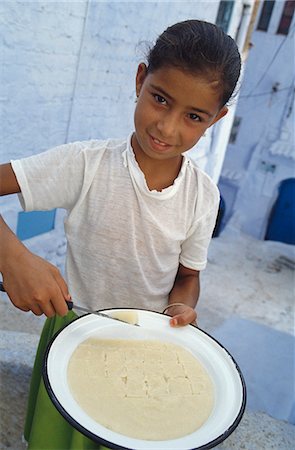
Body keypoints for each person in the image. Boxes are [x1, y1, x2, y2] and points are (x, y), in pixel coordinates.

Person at [0, 19, 241, 450]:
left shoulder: (203, 197)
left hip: (147, 358)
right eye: (160, 99)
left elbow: (187, 276)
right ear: (140, 79)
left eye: (193, 116)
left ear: (217, 119)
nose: (167, 127)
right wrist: (13, 257)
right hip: (70, 340)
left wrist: (182, 305)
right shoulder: (86, 164)